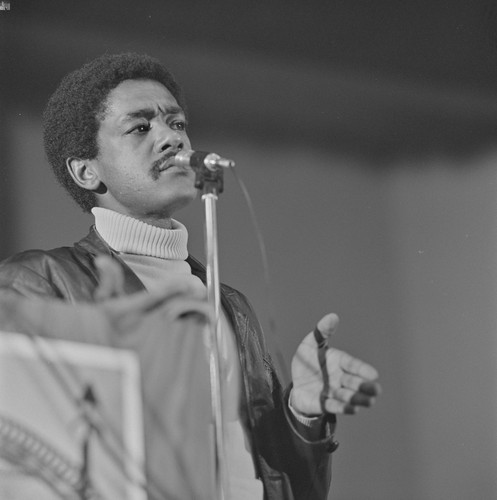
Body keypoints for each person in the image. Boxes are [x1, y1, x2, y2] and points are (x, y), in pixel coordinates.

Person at [0, 53, 381, 499]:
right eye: (140, 128)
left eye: (176, 124)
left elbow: (289, 484)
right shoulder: (40, 282)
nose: (170, 138)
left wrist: (303, 412)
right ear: (87, 171)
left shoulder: (229, 304)